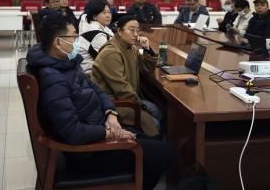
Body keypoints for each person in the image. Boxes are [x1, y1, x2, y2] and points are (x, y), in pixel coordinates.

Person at [26, 13, 172, 190]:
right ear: (58, 42)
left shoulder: (66, 63)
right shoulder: (53, 79)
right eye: (73, 37)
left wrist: (111, 113)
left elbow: (97, 90)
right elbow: (73, 133)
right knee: (164, 153)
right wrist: (109, 133)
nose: (77, 42)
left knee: (155, 143)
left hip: (99, 126)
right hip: (90, 152)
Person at [91, 15, 161, 137]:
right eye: (131, 30)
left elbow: (147, 68)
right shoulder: (111, 53)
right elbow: (122, 89)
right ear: (119, 31)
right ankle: (153, 143)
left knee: (157, 111)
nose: (136, 34)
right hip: (113, 103)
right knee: (154, 122)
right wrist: (141, 105)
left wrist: (147, 48)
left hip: (128, 98)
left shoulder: (130, 47)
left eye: (137, 30)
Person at [77, 0, 114, 72]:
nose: (108, 16)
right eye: (104, 13)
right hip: (88, 73)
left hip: (97, 69)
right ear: (94, 17)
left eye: (109, 12)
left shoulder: (101, 25)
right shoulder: (95, 34)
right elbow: (110, 57)